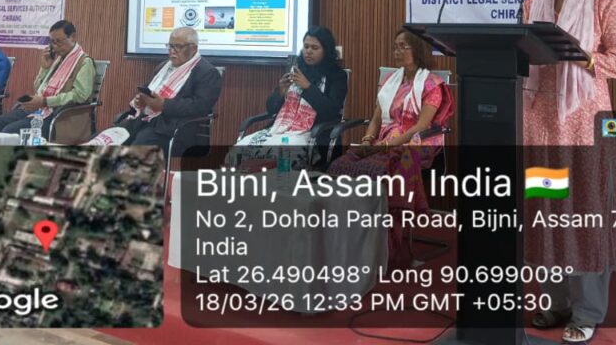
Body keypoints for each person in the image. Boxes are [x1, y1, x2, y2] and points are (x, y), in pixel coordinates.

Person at [523, 0, 616, 345]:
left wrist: (585, 58)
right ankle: (555, 302)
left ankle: (587, 310)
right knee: (547, 213)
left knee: (585, 215)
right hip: (541, 122)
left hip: (586, 121)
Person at [327, 27, 453, 268]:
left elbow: (422, 126)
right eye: (395, 47)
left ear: (418, 49)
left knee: (390, 169)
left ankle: (389, 244)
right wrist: (367, 141)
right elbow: (376, 119)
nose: (397, 51)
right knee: (341, 165)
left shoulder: (432, 84)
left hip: (418, 143)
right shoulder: (390, 82)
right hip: (384, 141)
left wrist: (387, 145)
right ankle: (353, 236)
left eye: (403, 46)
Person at [232, 27, 348, 170]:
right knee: (239, 149)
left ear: (326, 50)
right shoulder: (297, 69)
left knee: (284, 154)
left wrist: (308, 87)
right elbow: (271, 109)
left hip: (312, 134)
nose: (308, 51)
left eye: (314, 48)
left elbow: (330, 111)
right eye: (306, 46)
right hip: (280, 130)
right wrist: (280, 92)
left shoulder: (337, 76)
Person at [0, 20, 96, 138]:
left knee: (10, 131)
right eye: (52, 42)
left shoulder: (84, 62)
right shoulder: (58, 60)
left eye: (59, 41)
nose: (55, 47)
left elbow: (80, 95)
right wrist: (45, 68)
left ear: (73, 37)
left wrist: (45, 101)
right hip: (39, 109)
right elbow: (38, 88)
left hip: (61, 116)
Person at [119, 27, 222, 155]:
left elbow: (200, 106)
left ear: (193, 48)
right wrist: (142, 99)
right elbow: (148, 89)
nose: (172, 51)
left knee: (137, 148)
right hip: (147, 119)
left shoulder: (207, 72)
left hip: (175, 128)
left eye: (178, 47)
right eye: (170, 46)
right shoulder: (163, 66)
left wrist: (164, 105)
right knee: (112, 137)